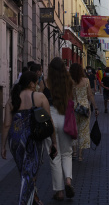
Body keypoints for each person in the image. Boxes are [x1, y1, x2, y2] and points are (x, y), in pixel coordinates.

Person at [1, 71, 58, 205]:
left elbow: (6, 124)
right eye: (37, 81)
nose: (38, 84)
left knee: (25, 172)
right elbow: (49, 122)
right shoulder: (40, 97)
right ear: (31, 83)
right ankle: (24, 201)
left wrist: (3, 146)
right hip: (32, 138)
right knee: (30, 172)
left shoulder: (12, 99)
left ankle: (34, 198)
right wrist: (54, 142)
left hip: (15, 139)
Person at [46, 58, 75, 201]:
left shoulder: (45, 83)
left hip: (50, 117)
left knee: (54, 155)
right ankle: (68, 180)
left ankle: (59, 191)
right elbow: (71, 100)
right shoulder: (69, 82)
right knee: (67, 153)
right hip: (65, 118)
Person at [69, 63, 99, 162]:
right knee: (83, 130)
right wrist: (95, 107)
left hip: (74, 107)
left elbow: (69, 96)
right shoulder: (86, 81)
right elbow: (90, 95)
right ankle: (81, 155)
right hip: (85, 108)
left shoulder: (70, 81)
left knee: (74, 130)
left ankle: (74, 152)